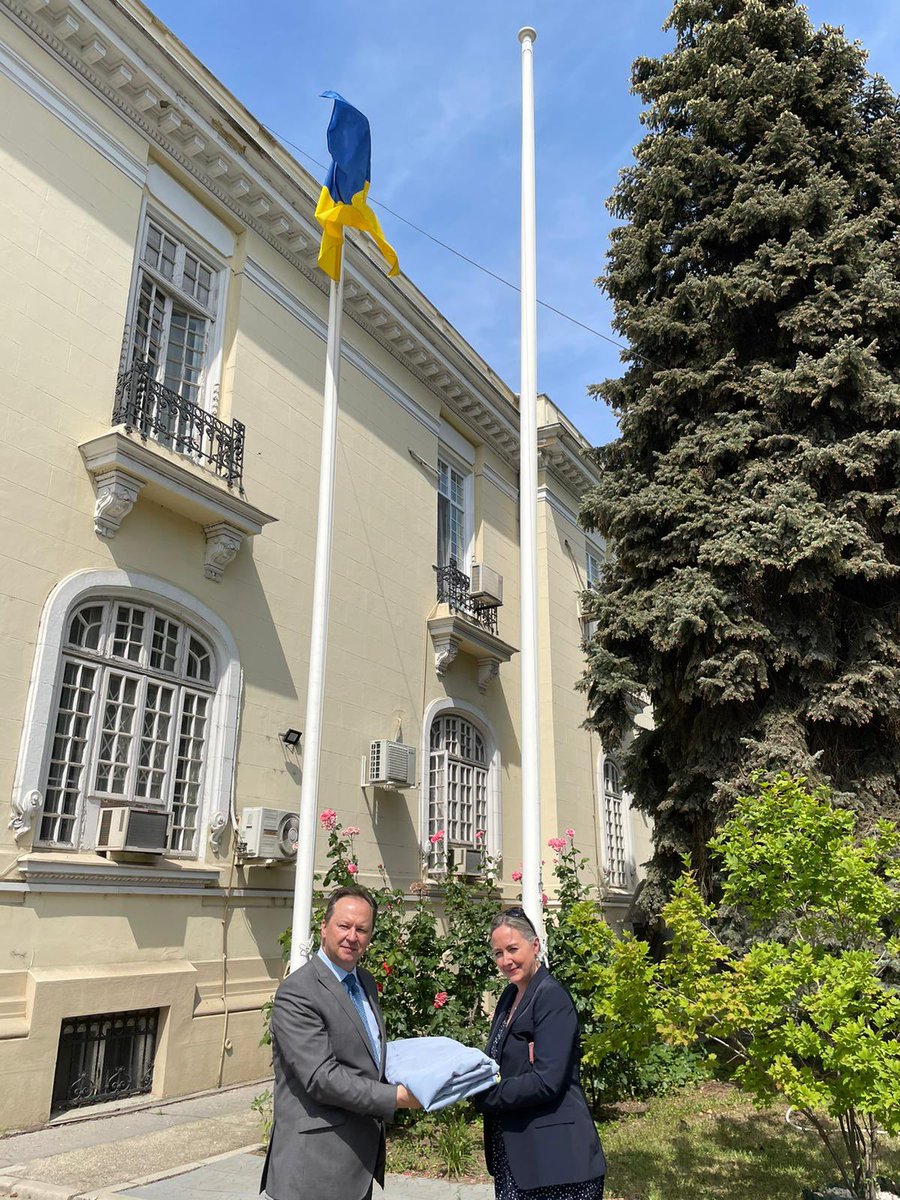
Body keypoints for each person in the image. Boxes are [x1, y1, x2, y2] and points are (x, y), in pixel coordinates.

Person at [260, 884, 420, 1200]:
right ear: (324, 927)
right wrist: (395, 1097)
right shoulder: (298, 992)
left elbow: (368, 1057)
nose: (352, 936)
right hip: (313, 1169)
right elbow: (321, 1078)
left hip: (356, 1164)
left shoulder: (366, 982)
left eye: (362, 929)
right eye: (344, 926)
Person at [473, 907, 607, 1200]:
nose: (506, 961)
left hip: (558, 1163)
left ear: (535, 946)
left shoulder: (551, 997)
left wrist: (484, 1095)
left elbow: (547, 1081)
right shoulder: (509, 996)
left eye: (512, 949)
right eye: (498, 953)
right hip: (517, 1156)